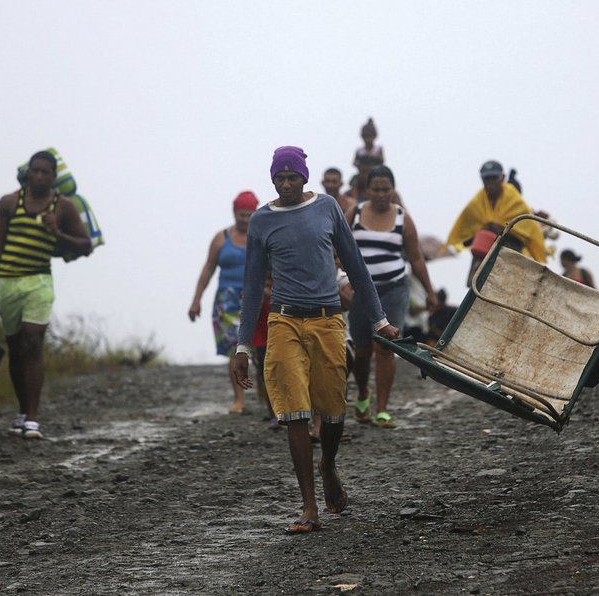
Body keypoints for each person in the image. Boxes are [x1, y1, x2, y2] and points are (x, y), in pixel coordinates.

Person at [232, 146, 399, 535]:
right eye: (279, 178)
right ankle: (309, 506)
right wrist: (243, 346)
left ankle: (328, 465)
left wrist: (380, 321)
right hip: (284, 322)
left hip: (327, 322)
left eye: (292, 177)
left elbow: (355, 265)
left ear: (304, 177)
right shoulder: (261, 221)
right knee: (294, 412)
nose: (286, 184)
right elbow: (254, 286)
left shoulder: (327, 209)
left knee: (333, 409)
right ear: (272, 180)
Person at [0, 150, 92, 439]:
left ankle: (33, 419)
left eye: (45, 172)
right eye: (34, 171)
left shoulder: (64, 207)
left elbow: (85, 245)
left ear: (53, 176)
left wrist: (58, 233)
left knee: (33, 342)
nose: (38, 176)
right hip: (7, 283)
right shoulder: (9, 203)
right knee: (15, 348)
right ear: (28, 173)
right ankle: (22, 412)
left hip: (38, 282)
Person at [346, 166, 439, 428]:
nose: (380, 194)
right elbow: (336, 247)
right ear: (367, 190)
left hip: (394, 289)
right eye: (375, 189)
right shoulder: (353, 214)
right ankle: (363, 392)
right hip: (361, 292)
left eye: (385, 189)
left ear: (393, 190)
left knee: (386, 347)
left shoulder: (402, 218)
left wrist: (430, 291)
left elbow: (416, 257)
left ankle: (382, 410)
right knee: (363, 349)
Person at [188, 191, 259, 414]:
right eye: (241, 215)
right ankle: (239, 399)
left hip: (256, 298)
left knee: (259, 350)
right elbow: (208, 268)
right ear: (234, 212)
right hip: (226, 302)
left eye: (249, 215)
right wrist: (196, 300)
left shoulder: (260, 237)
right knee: (234, 350)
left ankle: (267, 396)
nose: (245, 219)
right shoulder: (221, 238)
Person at [444, 160, 547, 286]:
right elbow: (466, 238)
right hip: (481, 262)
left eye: (494, 178)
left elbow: (526, 233)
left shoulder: (515, 201)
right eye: (487, 178)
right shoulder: (477, 203)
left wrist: (500, 229)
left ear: (502, 178)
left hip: (508, 262)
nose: (490, 182)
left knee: (505, 292)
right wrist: (480, 233)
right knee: (476, 291)